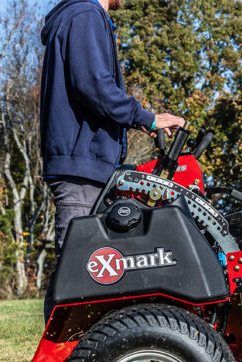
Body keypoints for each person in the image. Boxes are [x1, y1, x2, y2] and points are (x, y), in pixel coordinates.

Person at [40, 0, 184, 323]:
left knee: (83, 268)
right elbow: (94, 87)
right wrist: (146, 118)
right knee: (77, 270)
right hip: (82, 167)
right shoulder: (86, 14)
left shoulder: (84, 16)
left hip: (88, 165)